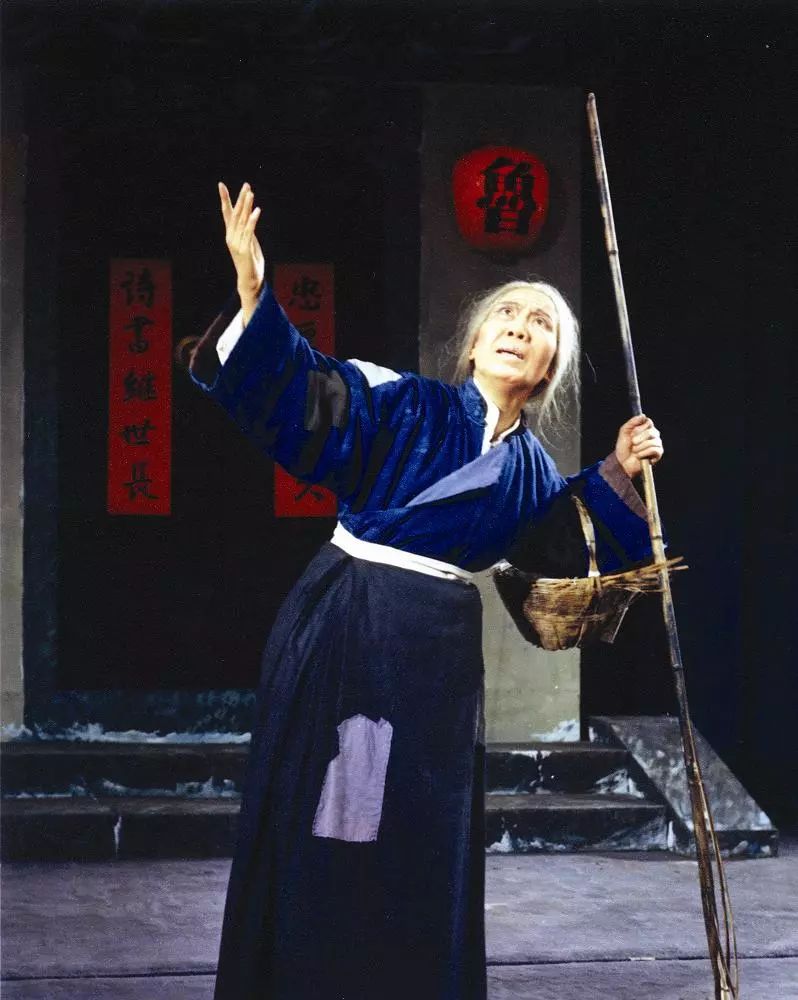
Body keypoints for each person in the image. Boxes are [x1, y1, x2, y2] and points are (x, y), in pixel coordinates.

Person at [188, 181, 664, 1000]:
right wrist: (255, 293)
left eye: (540, 323)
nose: (518, 327)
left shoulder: (529, 472)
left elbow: (561, 546)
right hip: (355, 631)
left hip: (437, 665)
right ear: (473, 345)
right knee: (342, 820)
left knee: (417, 836)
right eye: (505, 315)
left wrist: (621, 468)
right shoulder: (404, 404)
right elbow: (311, 392)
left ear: (550, 368)